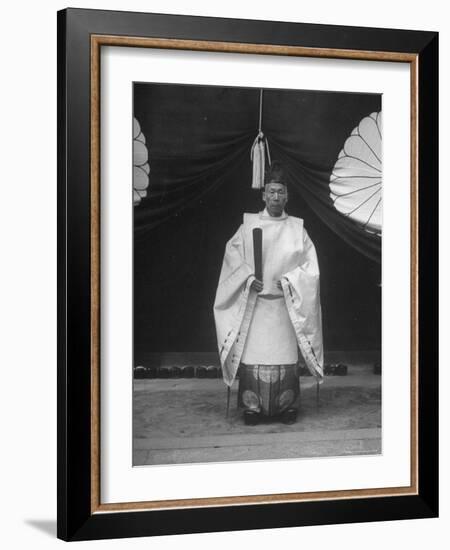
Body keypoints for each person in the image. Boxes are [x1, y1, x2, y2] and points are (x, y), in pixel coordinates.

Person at [213, 162, 323, 425]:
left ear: (287, 195)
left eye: (280, 192)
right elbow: (233, 258)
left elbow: (311, 269)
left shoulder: (298, 229)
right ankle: (252, 407)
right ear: (263, 194)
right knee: (255, 357)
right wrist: (249, 278)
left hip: (285, 306)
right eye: (271, 191)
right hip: (258, 306)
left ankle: (288, 407)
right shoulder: (249, 225)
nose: (275, 197)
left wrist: (290, 280)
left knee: (285, 357)